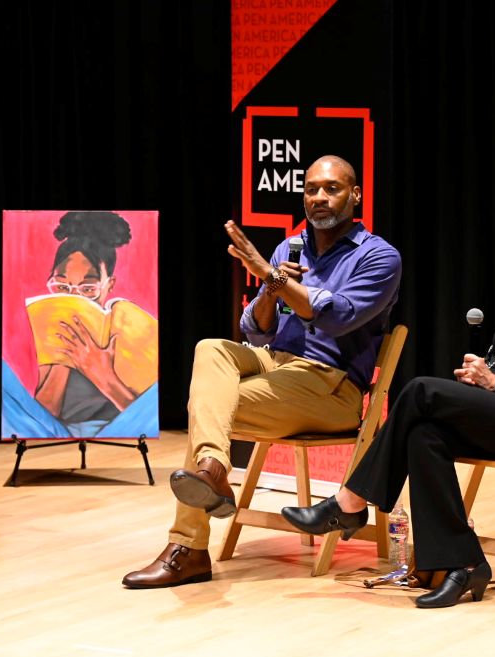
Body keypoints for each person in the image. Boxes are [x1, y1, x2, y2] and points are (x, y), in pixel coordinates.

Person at [282, 189, 495, 608]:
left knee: (421, 390)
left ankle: (350, 502)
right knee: (424, 433)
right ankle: (462, 564)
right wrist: (483, 374)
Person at [121, 155, 402, 588]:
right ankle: (214, 468)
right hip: (277, 362)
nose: (320, 198)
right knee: (210, 348)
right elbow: (254, 329)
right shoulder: (290, 248)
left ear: (356, 195)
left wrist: (274, 278)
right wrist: (271, 288)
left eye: (332, 189)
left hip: (332, 385)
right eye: (311, 189)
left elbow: (338, 317)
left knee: (205, 407)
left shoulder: (378, 257)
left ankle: (188, 548)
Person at [1, 211, 159, 438]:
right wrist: (63, 360)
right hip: (55, 429)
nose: (75, 299)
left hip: (119, 427)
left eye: (88, 290)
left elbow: (143, 415)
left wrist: (102, 375)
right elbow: (43, 414)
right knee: (3, 377)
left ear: (109, 284)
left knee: (157, 393)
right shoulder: (49, 322)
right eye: (62, 287)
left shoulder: (125, 327)